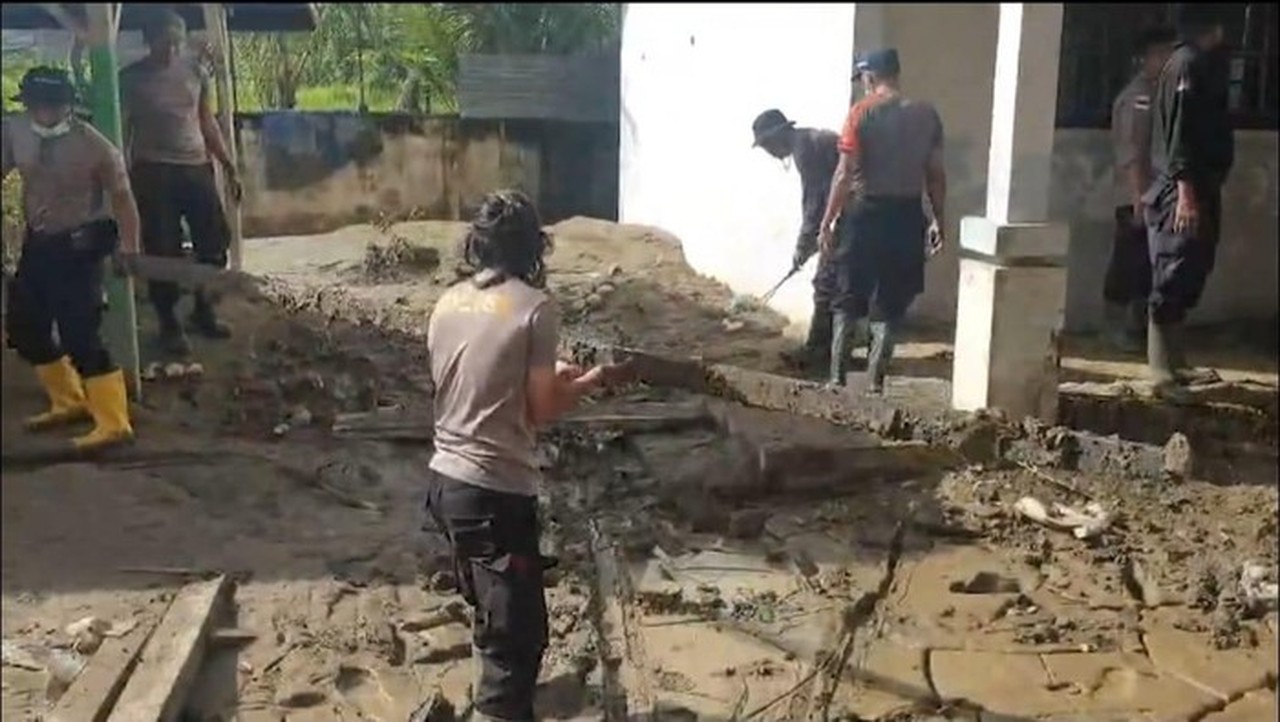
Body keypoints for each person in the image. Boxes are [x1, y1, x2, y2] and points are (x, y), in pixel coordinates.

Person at [424, 190, 627, 722]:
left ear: (478, 244)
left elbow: (471, 382)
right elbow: (541, 410)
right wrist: (590, 381)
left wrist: (546, 372)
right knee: (517, 640)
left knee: (491, 614)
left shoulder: (448, 302)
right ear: (533, 248)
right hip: (494, 492)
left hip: (445, 484)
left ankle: (491, 703)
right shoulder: (535, 308)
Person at [1, 67, 140, 451]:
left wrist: (129, 248)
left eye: (52, 106)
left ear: (69, 106)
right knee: (25, 327)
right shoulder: (15, 132)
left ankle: (114, 422)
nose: (44, 114)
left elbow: (123, 199)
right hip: (38, 241)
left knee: (81, 334)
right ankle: (69, 400)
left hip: (80, 244)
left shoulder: (95, 147)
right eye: (36, 106)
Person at [816, 49, 947, 392]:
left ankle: (837, 378)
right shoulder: (927, 116)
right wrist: (938, 219)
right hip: (907, 215)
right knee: (892, 301)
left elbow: (844, 174)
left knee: (848, 297)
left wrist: (827, 220)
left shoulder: (861, 113)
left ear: (870, 77)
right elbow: (935, 175)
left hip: (865, 213)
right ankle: (875, 382)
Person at [120, 8, 241, 357]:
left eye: (177, 42)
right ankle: (169, 323)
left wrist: (228, 164)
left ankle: (203, 309)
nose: (171, 50)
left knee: (214, 242)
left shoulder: (195, 72)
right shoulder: (130, 78)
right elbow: (121, 129)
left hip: (196, 166)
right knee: (163, 249)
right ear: (149, 41)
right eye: (165, 43)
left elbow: (206, 121)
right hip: (153, 170)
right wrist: (120, 179)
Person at [1144, 4, 1233, 399]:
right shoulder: (1187, 65)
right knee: (1173, 268)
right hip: (1182, 190)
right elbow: (1180, 133)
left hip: (1199, 186)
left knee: (1192, 267)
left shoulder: (1198, 64)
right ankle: (1162, 374)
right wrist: (1185, 192)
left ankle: (1177, 363)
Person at [751, 108, 867, 376]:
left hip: (856, 213)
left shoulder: (805, 150)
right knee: (836, 284)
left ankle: (819, 353)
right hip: (857, 211)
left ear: (777, 137)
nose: (769, 152)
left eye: (767, 145)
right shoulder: (811, 140)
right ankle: (829, 351)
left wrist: (803, 246)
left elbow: (815, 203)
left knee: (827, 284)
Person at [1104, 26, 1178, 354]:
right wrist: (1138, 198)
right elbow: (1131, 152)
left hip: (1156, 194)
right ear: (1148, 57)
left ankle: (1137, 327)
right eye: (1163, 54)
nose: (1168, 61)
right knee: (1128, 261)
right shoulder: (1138, 98)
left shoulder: (1162, 92)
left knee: (1149, 266)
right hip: (1136, 195)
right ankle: (1113, 327)